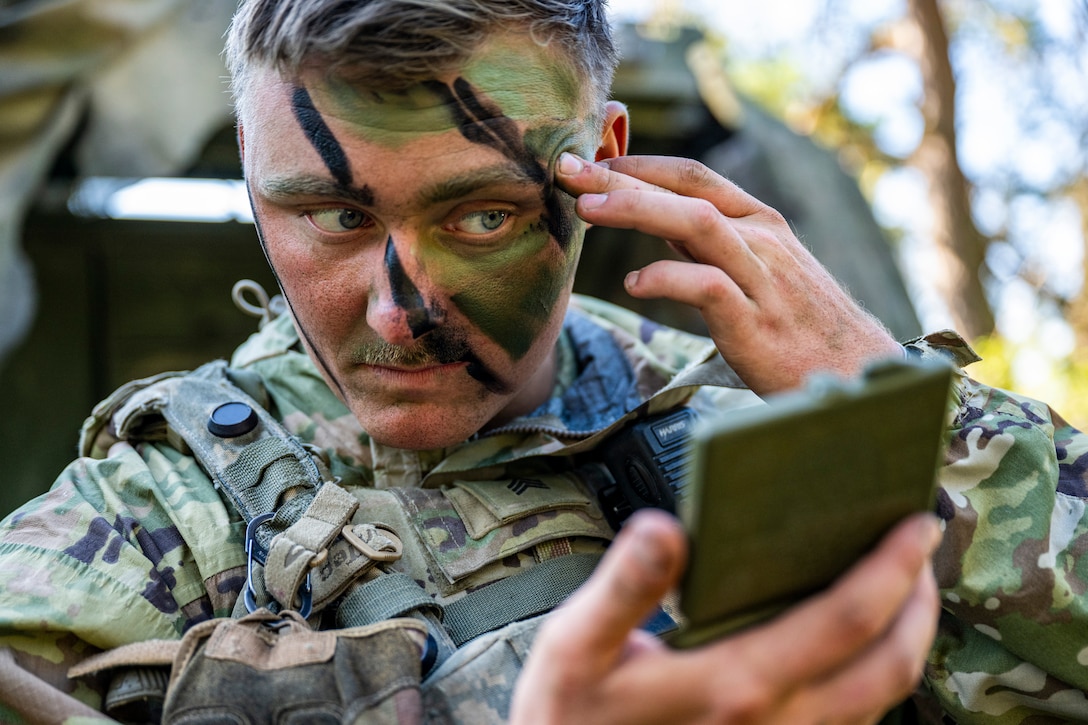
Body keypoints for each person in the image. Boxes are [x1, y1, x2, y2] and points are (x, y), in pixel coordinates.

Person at [0, 0, 1084, 722]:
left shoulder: (780, 417)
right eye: (330, 213)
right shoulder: (152, 503)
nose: (396, 312)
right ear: (251, 166)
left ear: (599, 165)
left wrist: (923, 412)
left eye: (479, 216)